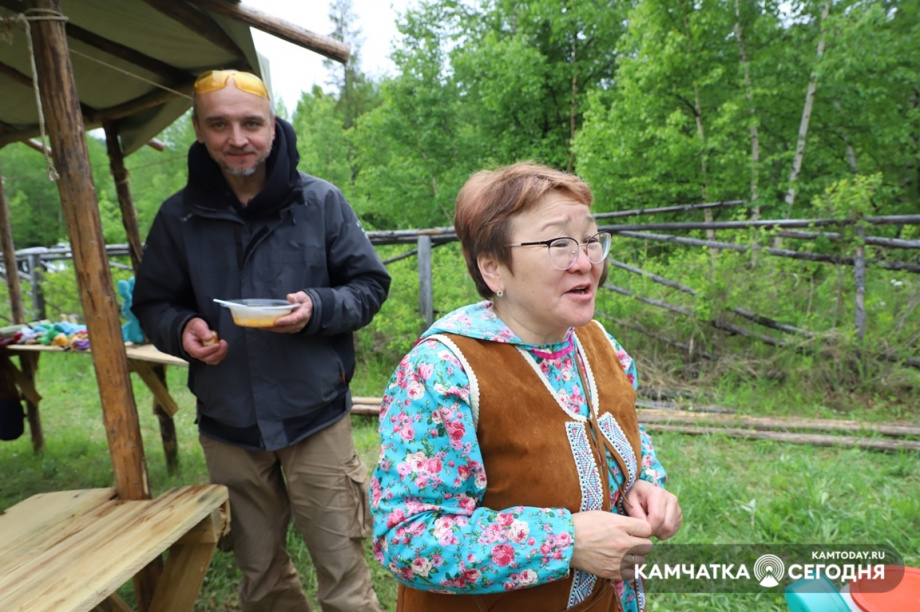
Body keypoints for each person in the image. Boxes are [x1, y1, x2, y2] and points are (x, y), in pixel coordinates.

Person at [370, 162, 682, 612]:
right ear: (493, 268)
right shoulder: (443, 372)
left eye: (591, 240)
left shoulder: (598, 342)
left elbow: (625, 433)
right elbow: (406, 538)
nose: (585, 261)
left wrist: (641, 484)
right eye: (558, 243)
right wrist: (566, 540)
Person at [132, 69, 390, 612]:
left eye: (251, 123)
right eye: (219, 124)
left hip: (314, 415)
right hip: (229, 425)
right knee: (261, 578)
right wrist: (183, 330)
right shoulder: (178, 217)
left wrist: (317, 308)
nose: (237, 138)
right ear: (199, 132)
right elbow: (153, 304)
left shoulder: (320, 202)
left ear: (273, 126)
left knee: (344, 575)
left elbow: (369, 285)